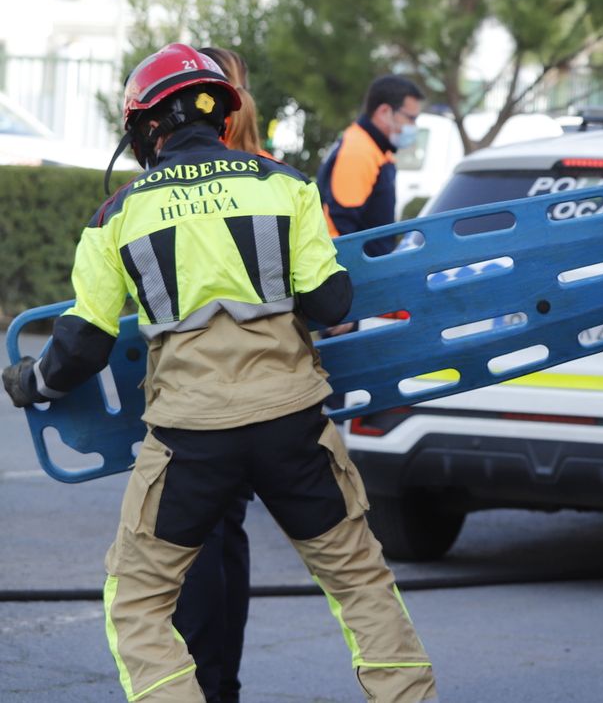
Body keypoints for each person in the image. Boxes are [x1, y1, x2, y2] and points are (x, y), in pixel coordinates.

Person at [1, 44, 436, 703]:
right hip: (294, 428)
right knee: (360, 585)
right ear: (222, 116)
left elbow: (84, 342)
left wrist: (31, 382)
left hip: (190, 439)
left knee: (137, 603)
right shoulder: (285, 185)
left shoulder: (116, 215)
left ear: (147, 128)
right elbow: (331, 303)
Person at [159, 46, 268, 703]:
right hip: (269, 396)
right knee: (225, 536)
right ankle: (221, 684)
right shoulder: (272, 179)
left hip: (197, 398)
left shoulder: (164, 192)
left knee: (196, 543)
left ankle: (207, 686)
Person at [317, 75, 423, 248]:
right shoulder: (358, 152)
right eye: (410, 118)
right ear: (384, 112)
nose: (414, 126)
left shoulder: (377, 148)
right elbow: (341, 229)